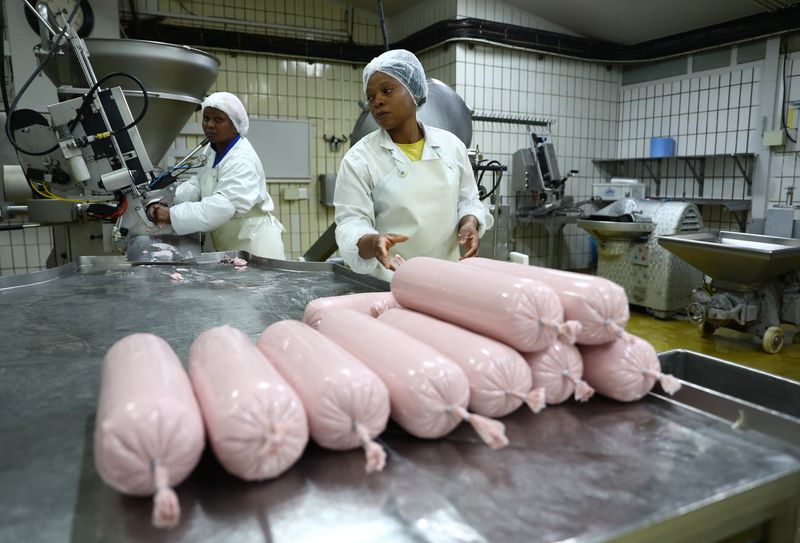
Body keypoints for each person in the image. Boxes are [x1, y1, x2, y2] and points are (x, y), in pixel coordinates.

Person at [333, 49, 492, 281]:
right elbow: (350, 224)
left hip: (447, 279)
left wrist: (469, 223)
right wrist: (372, 241)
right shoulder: (360, 158)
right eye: (370, 96)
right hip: (391, 283)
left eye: (387, 90)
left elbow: (468, 201)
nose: (376, 101)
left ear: (414, 92)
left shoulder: (451, 146)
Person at [149, 91, 286, 259]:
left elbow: (222, 206)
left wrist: (172, 215)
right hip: (228, 241)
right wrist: (169, 197)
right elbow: (199, 185)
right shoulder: (212, 149)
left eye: (218, 120)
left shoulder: (242, 160)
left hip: (254, 243)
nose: (209, 125)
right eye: (206, 119)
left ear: (235, 124)